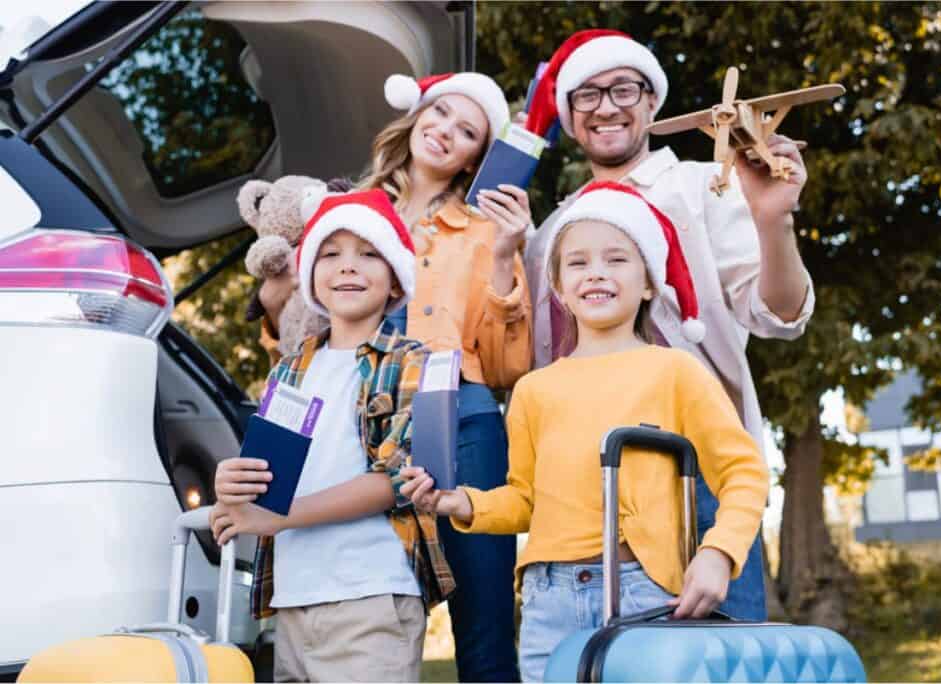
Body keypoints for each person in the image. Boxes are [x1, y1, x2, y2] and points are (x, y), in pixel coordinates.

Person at [402, 181, 770, 681]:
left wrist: (718, 553)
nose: (595, 272)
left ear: (648, 283)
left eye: (616, 259)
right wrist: (462, 503)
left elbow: (744, 472)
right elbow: (525, 501)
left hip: (645, 588)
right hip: (547, 600)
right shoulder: (534, 390)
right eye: (577, 263)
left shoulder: (676, 372)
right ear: (558, 288)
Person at [521, 28, 816, 621]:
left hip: (696, 467)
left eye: (623, 89)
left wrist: (773, 219)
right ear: (570, 115)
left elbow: (779, 315)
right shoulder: (553, 231)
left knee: (714, 657)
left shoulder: (702, 186)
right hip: (587, 483)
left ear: (652, 101)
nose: (606, 106)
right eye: (587, 95)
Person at [257, 71, 532, 682]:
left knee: (483, 623)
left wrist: (509, 256)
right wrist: (277, 300)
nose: (445, 133)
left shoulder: (487, 231)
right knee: (352, 588)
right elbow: (297, 341)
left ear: (474, 161)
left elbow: (512, 363)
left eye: (468, 132)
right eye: (440, 114)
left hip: (460, 417)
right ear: (415, 116)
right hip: (356, 418)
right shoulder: (343, 208)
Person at [209, 189, 454, 682]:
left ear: (394, 283)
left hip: (370, 595)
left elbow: (398, 481)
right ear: (311, 277)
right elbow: (267, 480)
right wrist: (233, 487)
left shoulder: (413, 363)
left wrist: (277, 518)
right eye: (331, 253)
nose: (348, 267)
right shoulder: (289, 370)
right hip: (294, 599)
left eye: (368, 254)